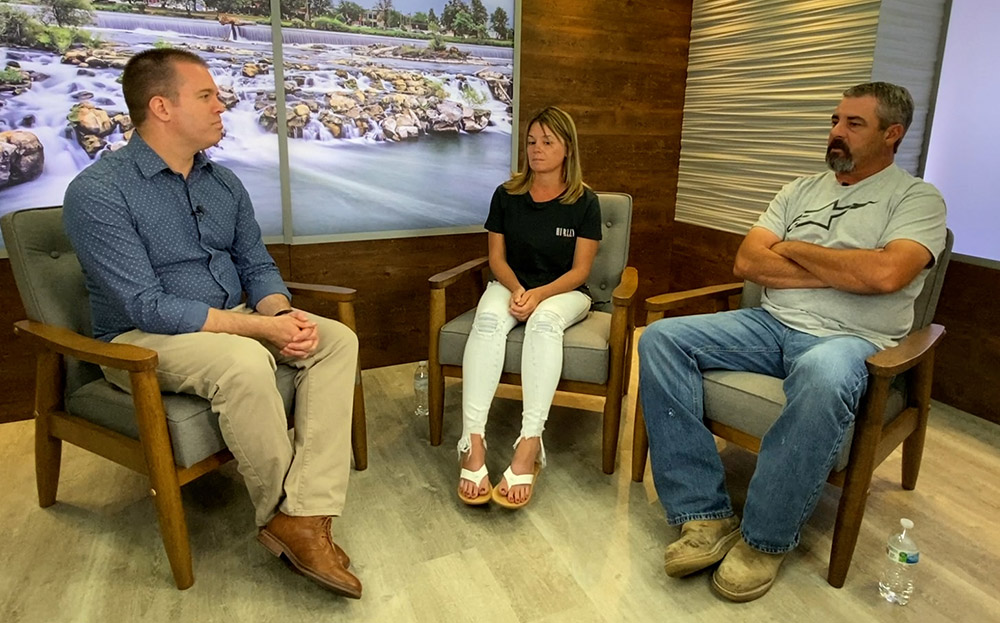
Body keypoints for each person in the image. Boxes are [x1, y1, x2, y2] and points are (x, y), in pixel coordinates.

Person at [62, 48, 362, 598]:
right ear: (162, 107)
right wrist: (257, 331)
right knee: (244, 360)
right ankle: (284, 516)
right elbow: (146, 307)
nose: (223, 103)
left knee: (335, 339)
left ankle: (303, 513)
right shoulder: (97, 193)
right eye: (206, 95)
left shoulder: (222, 183)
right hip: (142, 339)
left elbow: (255, 264)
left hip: (233, 319)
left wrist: (278, 312)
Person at [638, 82, 947, 602]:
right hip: (769, 324)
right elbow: (748, 263)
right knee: (661, 338)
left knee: (825, 376)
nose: (836, 133)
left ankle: (765, 539)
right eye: (835, 120)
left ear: (892, 135)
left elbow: (888, 273)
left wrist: (794, 248)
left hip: (853, 339)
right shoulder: (800, 189)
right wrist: (848, 269)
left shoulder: (917, 199)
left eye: (854, 124)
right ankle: (703, 514)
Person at [457, 106, 602, 509]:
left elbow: (581, 271)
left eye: (547, 142)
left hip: (564, 291)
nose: (537, 150)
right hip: (510, 283)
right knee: (487, 321)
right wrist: (519, 289)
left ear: (567, 148)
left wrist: (538, 296)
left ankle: (530, 444)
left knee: (544, 325)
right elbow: (496, 259)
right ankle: (473, 443)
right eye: (531, 142)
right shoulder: (506, 195)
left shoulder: (585, 202)